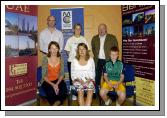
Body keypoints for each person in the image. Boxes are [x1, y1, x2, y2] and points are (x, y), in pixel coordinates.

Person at [64, 24, 90, 100]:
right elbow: (67, 51)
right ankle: (74, 93)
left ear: (81, 30)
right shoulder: (70, 40)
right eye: (76, 29)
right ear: (73, 30)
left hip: (81, 62)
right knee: (73, 79)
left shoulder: (83, 39)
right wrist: (74, 59)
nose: (78, 30)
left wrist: (81, 59)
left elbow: (87, 50)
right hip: (72, 62)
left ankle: (81, 92)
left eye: (79, 29)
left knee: (81, 77)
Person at [91, 23, 118, 93]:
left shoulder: (112, 38)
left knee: (109, 77)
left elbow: (116, 49)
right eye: (99, 29)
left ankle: (110, 92)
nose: (101, 30)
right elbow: (93, 49)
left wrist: (114, 61)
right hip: (98, 60)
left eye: (102, 28)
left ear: (106, 29)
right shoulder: (94, 38)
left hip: (108, 60)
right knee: (96, 77)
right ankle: (96, 91)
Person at [41, 41, 67, 106]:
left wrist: (57, 84)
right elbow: (44, 75)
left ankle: (56, 103)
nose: (54, 50)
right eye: (52, 48)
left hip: (58, 80)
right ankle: (56, 105)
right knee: (51, 92)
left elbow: (62, 74)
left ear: (58, 49)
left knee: (64, 90)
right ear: (49, 50)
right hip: (47, 81)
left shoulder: (61, 58)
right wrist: (53, 85)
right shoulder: (45, 58)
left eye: (56, 48)